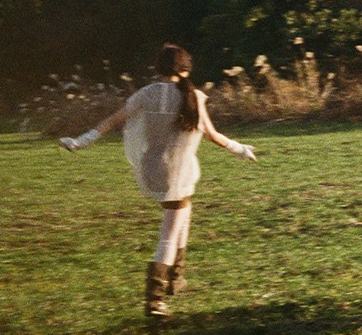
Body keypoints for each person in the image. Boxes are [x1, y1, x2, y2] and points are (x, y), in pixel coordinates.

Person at [58, 43, 258, 320]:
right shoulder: (194, 96)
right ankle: (155, 300)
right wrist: (239, 149)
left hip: (154, 168)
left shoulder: (145, 94)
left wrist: (81, 141)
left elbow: (114, 121)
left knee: (184, 211)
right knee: (169, 233)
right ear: (185, 68)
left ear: (159, 67)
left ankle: (176, 275)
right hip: (179, 170)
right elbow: (212, 135)